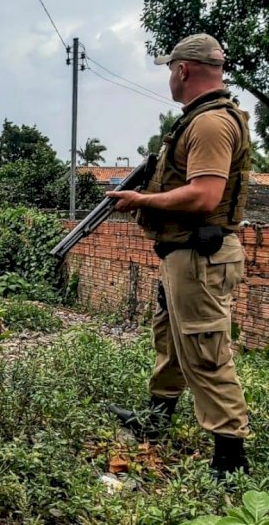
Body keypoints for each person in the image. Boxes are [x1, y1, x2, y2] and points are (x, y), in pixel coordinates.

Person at [107, 34, 251, 478]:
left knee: (206, 351)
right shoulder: (199, 120)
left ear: (184, 70)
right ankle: (156, 422)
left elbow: (205, 195)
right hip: (184, 255)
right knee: (171, 342)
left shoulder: (209, 124)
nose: (170, 76)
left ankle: (230, 460)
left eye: (171, 69)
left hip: (200, 256)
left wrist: (141, 201)